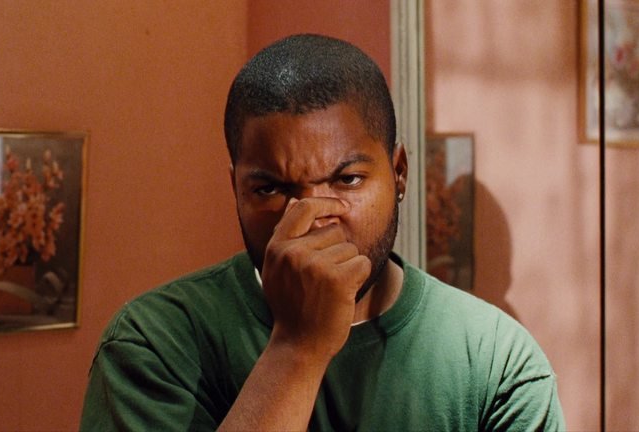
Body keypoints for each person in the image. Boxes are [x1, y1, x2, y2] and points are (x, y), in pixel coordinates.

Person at [80, 34, 565, 431]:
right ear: (236, 189)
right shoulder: (153, 343)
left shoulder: (494, 361)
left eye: (347, 180)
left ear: (399, 174)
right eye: (270, 189)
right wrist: (296, 348)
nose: (313, 217)